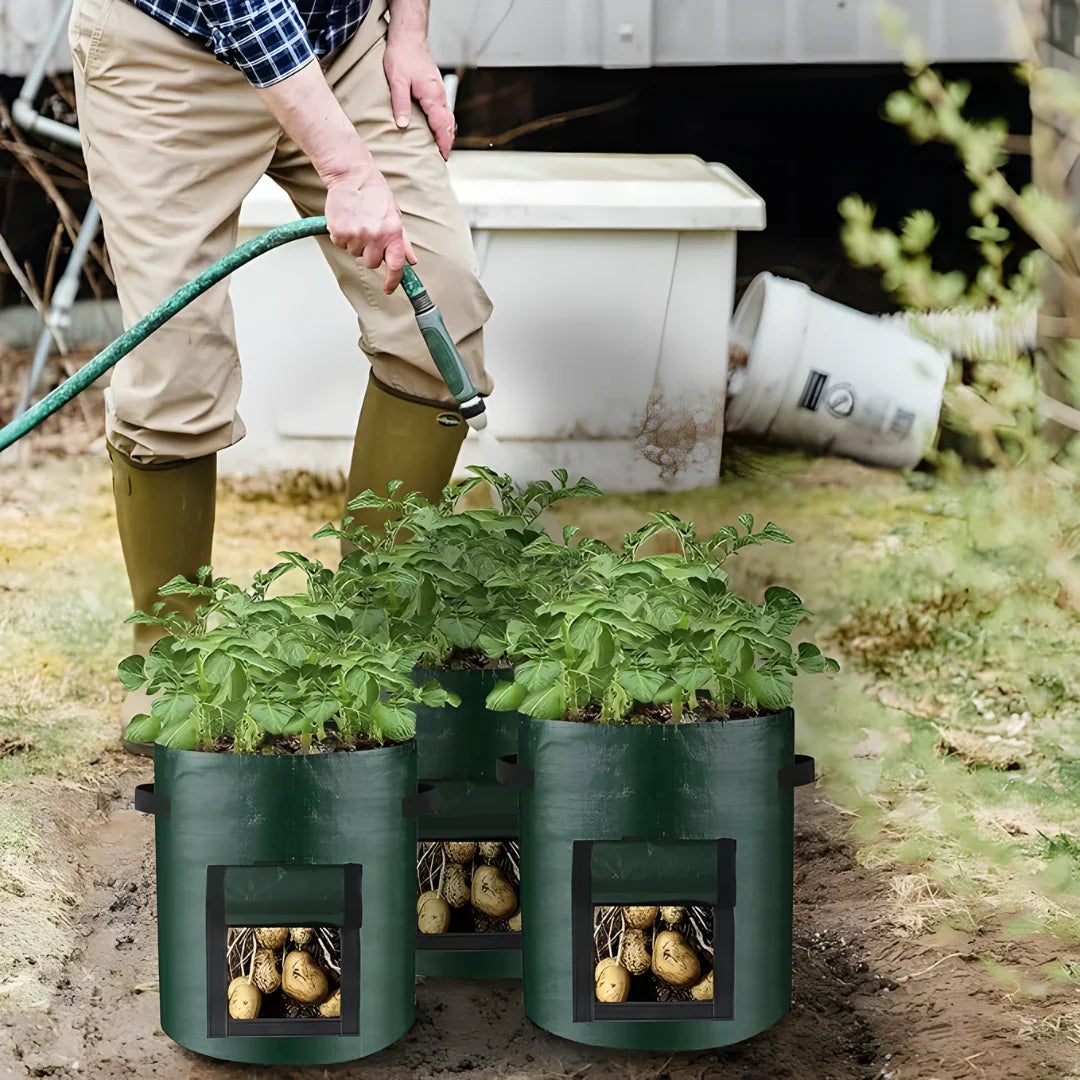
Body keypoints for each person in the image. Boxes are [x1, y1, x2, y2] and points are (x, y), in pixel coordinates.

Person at [67, 0, 493, 753]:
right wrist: (346, 166)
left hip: (342, 41)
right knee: (174, 367)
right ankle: (172, 659)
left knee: (440, 315)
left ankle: (369, 643)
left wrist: (411, 33)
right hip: (171, 54)